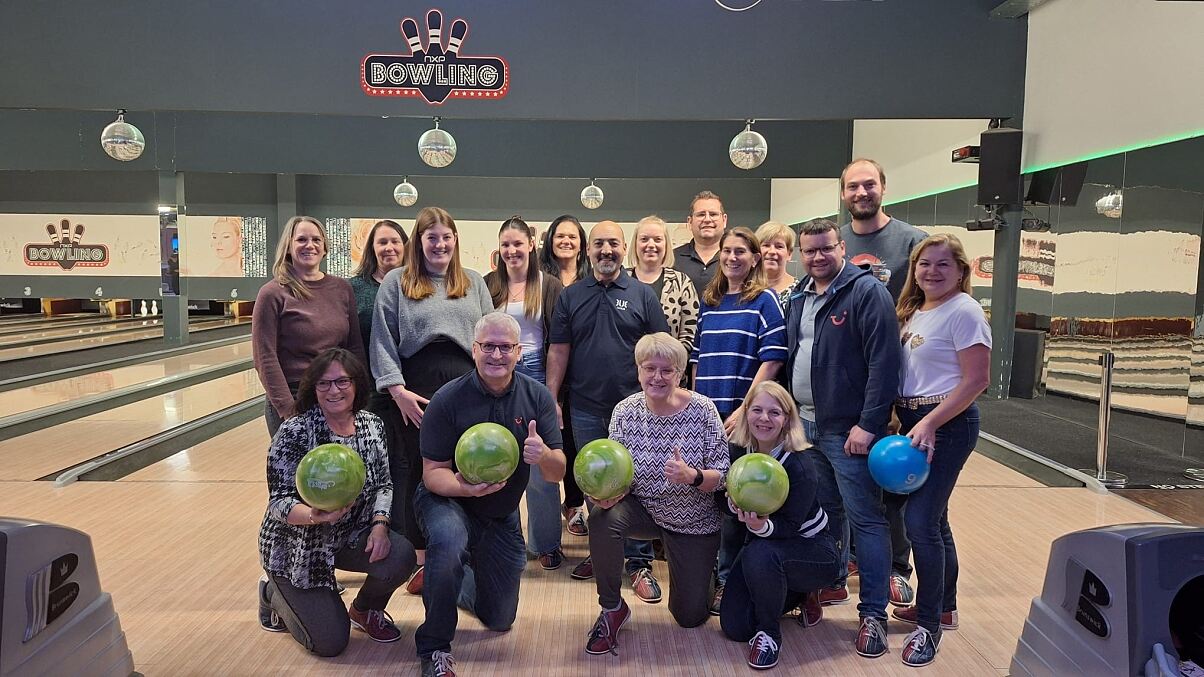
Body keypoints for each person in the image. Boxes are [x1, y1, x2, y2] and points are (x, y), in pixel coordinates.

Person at [414, 312, 565, 677]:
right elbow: (433, 475)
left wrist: (542, 454)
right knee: (448, 543)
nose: (496, 355)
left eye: (505, 348)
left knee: (499, 618)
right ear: (474, 349)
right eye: (488, 347)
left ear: (519, 352)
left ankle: (448, 579)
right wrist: (464, 487)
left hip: (499, 513)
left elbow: (557, 470)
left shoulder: (537, 396)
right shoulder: (448, 399)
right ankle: (434, 646)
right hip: (447, 499)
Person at [781, 218, 902, 658]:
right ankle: (830, 582)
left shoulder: (867, 293)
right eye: (809, 250)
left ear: (842, 248)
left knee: (867, 519)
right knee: (829, 513)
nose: (817, 257)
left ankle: (873, 614)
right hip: (807, 426)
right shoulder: (798, 295)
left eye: (825, 248)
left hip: (848, 429)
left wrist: (869, 424)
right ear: (800, 253)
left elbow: (884, 363)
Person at [257, 348, 417, 657]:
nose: (334, 390)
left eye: (342, 382)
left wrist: (380, 527)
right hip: (300, 547)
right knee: (330, 643)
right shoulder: (295, 431)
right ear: (312, 388)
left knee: (401, 555)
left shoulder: (372, 425)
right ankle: (272, 593)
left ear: (357, 384)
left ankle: (363, 610)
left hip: (351, 535)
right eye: (324, 384)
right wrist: (314, 515)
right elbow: (278, 503)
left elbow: (383, 483)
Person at [370, 207, 493, 598]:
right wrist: (396, 390)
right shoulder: (397, 282)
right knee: (418, 471)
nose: (439, 244)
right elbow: (382, 340)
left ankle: (465, 552)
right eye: (431, 237)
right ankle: (423, 561)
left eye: (446, 237)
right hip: (414, 389)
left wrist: (492, 385)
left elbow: (490, 332)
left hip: (466, 384)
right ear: (418, 243)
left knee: (468, 466)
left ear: (455, 241)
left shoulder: (473, 282)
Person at [583, 332, 728, 656]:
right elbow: (614, 471)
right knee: (603, 517)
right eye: (650, 368)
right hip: (643, 509)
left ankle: (708, 574)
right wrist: (602, 495)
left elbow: (725, 476)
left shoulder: (704, 410)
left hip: (693, 518)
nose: (657, 377)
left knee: (690, 617)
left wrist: (693, 476)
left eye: (667, 370)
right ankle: (611, 609)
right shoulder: (624, 411)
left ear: (680, 373)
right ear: (638, 370)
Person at [546, 220, 670, 593]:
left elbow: (659, 345)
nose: (606, 250)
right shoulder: (571, 296)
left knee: (637, 483)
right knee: (594, 481)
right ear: (588, 250)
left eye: (613, 243)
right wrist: (551, 397)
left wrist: (662, 396)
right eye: (598, 243)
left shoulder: (642, 294)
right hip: (584, 407)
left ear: (623, 248)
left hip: (634, 410)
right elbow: (559, 349)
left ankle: (638, 563)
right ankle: (602, 552)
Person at [890, 234, 990, 667]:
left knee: (920, 523)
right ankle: (943, 605)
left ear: (961, 272)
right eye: (924, 264)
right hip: (915, 422)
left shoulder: (964, 311)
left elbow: (976, 380)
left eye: (942, 265)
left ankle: (929, 626)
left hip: (946, 425)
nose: (931, 272)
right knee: (936, 518)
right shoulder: (913, 310)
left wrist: (929, 422)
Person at [838, 158, 929, 609]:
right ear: (843, 194)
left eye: (868, 184)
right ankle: (854, 559)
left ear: (883, 188)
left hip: (893, 381)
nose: (861, 192)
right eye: (852, 186)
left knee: (890, 477)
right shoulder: (835, 243)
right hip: (842, 382)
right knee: (845, 477)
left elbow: (923, 304)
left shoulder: (910, 241)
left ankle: (896, 568)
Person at [690, 226, 787, 614]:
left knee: (737, 502)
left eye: (741, 252)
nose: (732, 258)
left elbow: (773, 358)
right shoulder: (710, 301)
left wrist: (742, 411)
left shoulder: (764, 300)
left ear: (755, 258)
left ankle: (731, 580)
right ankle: (715, 576)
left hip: (741, 418)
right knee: (713, 501)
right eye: (727, 251)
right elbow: (696, 360)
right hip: (708, 416)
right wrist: (699, 408)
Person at [718, 381, 838, 670]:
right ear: (746, 414)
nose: (764, 418)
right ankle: (792, 593)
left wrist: (758, 527)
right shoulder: (741, 453)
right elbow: (724, 501)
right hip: (768, 548)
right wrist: (733, 505)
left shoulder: (800, 464)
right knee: (734, 626)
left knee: (761, 552)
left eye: (775, 412)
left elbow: (787, 526)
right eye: (757, 410)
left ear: (787, 419)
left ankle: (769, 634)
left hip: (814, 552)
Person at [484, 216, 567, 570]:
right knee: (495, 457)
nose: (512, 250)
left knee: (538, 459)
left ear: (531, 245)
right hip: (497, 371)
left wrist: (553, 395)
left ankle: (546, 543)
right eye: (506, 245)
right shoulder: (488, 285)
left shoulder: (548, 285)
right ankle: (500, 540)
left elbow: (559, 344)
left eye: (518, 244)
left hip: (536, 371)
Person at [253, 216, 365, 438]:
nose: (310, 245)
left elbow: (354, 347)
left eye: (316, 239)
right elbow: (265, 357)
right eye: (301, 239)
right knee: (297, 472)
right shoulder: (273, 293)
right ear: (289, 246)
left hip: (337, 394)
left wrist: (359, 396)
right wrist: (288, 411)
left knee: (340, 470)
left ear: (324, 247)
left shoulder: (342, 288)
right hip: (295, 395)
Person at [538, 214, 590, 537]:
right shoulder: (541, 278)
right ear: (550, 241)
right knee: (555, 442)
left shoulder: (591, 277)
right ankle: (565, 505)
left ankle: (575, 502)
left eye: (572, 236)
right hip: (551, 367)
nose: (566, 242)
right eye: (560, 236)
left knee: (577, 440)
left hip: (584, 372)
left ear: (582, 243)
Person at [626, 215, 700, 357]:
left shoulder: (682, 283)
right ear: (635, 244)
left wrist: (669, 360)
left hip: (668, 371)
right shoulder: (620, 280)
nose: (651, 245)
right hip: (624, 371)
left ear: (666, 245)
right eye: (644, 239)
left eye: (658, 239)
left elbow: (691, 334)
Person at [673, 190, 728, 293]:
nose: (707, 219)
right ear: (690, 222)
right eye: (701, 214)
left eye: (713, 214)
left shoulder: (736, 259)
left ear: (724, 220)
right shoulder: (672, 259)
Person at [755, 221, 797, 309]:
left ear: (789, 254)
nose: (772, 251)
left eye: (779, 246)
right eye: (766, 245)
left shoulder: (799, 292)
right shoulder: (744, 288)